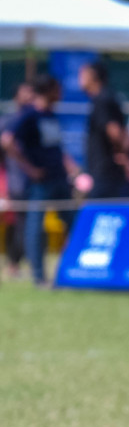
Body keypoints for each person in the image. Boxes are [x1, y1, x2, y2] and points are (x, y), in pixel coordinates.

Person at [1, 75, 78, 286]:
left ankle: (78, 269)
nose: (61, 94)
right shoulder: (29, 115)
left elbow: (56, 148)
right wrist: (29, 168)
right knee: (35, 228)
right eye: (57, 89)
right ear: (49, 90)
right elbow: (7, 141)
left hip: (60, 179)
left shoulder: (51, 115)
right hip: (40, 183)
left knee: (75, 223)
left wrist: (72, 168)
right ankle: (39, 276)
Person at [79, 61, 129, 199]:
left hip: (106, 170)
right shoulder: (107, 97)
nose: (80, 78)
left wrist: (123, 154)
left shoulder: (102, 99)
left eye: (83, 74)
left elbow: (114, 131)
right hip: (107, 171)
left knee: (102, 211)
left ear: (93, 76)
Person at [3, 81, 36, 278]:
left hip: (34, 182)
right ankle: (13, 265)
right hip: (15, 181)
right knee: (17, 224)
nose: (30, 96)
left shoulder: (34, 119)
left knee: (28, 225)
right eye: (26, 93)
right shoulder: (9, 122)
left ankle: (24, 264)